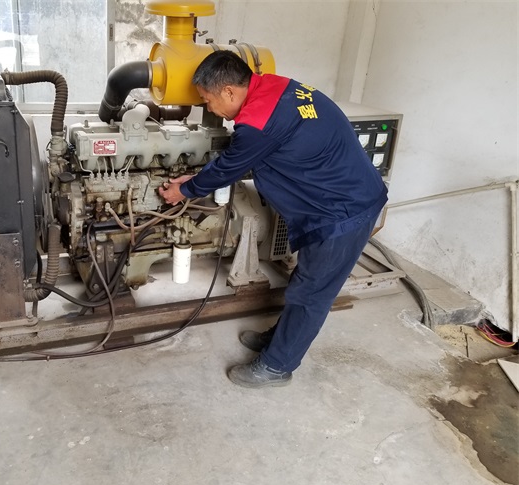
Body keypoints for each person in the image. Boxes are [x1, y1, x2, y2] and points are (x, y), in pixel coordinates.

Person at [159, 51, 388, 388]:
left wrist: (185, 190)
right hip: (337, 196)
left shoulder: (258, 123)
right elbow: (252, 154)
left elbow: (230, 166)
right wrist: (195, 179)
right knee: (305, 281)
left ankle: (277, 366)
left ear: (229, 91)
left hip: (342, 211)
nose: (210, 108)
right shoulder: (276, 87)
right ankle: (280, 339)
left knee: (311, 294)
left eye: (207, 100)